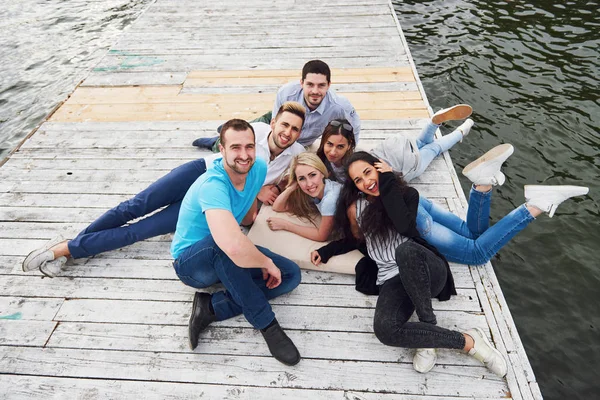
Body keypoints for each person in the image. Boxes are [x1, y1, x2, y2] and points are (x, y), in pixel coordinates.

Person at [330, 150, 587, 374]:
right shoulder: (358, 208)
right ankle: (470, 341)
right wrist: (330, 249)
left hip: (425, 268)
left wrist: (385, 182)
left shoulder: (404, 195)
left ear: (379, 167)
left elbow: (405, 227)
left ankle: (429, 331)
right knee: (385, 330)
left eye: (368, 173)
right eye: (358, 180)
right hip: (393, 280)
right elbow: (357, 240)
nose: (366, 182)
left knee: (414, 251)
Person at [22, 102, 307, 277]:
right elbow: (225, 140)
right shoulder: (254, 131)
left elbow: (263, 186)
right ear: (273, 122)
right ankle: (73, 244)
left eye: (295, 129)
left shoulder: (294, 155)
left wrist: (260, 191)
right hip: (200, 173)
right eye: (285, 124)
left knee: (140, 231)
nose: (288, 132)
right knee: (134, 207)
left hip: (206, 201)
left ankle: (66, 249)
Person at [170, 119, 302, 365]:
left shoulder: (258, 168)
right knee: (226, 247)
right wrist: (264, 262)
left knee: (290, 274)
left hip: (225, 251)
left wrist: (262, 257)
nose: (244, 155)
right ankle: (268, 324)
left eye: (249, 147)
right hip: (192, 263)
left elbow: (250, 214)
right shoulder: (213, 185)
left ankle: (211, 306)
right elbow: (231, 244)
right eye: (236, 148)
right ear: (222, 149)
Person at [193, 59, 361, 149]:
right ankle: (215, 142)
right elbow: (275, 128)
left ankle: (224, 129)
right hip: (279, 120)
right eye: (310, 84)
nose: (315, 91)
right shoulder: (286, 92)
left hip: (300, 141)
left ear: (329, 85)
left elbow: (354, 129)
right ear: (301, 82)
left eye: (321, 85)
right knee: (242, 133)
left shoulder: (340, 106)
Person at [316, 104, 474, 184]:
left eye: (340, 147)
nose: (332, 152)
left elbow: (391, 179)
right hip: (394, 147)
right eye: (329, 144)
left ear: (350, 146)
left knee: (434, 148)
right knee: (419, 143)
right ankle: (433, 124)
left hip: (402, 165)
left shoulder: (353, 164)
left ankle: (461, 131)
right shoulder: (323, 158)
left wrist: (391, 172)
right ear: (323, 141)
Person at [266, 153, 341, 241]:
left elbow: (321, 236)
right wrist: (291, 188)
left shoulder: (330, 199)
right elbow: (277, 207)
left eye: (313, 175)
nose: (309, 184)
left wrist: (285, 225)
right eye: (302, 178)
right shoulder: (316, 193)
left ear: (322, 173)